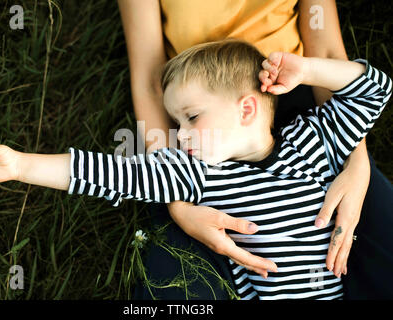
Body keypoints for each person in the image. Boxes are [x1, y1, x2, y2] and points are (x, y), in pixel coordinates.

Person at [0, 39, 391, 299]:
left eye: (191, 118)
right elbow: (106, 174)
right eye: (176, 123)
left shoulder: (316, 142)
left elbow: (375, 90)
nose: (179, 135)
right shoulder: (194, 173)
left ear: (248, 108)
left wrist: (309, 68)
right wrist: (21, 165)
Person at [118, 0, 393, 299]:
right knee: (176, 292)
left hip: (287, 97)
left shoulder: (315, 138)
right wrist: (178, 203)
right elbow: (150, 82)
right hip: (199, 119)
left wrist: (356, 161)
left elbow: (325, 50)